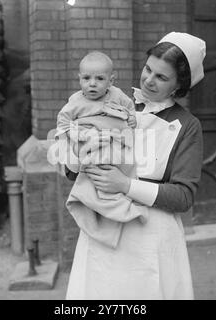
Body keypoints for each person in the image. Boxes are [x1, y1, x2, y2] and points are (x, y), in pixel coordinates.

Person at [64, 32, 206, 300]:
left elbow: (183, 196)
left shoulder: (187, 126)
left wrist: (125, 185)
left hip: (150, 237)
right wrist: (73, 151)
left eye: (162, 77)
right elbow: (74, 172)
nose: (149, 80)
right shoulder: (112, 103)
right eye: (148, 69)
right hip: (103, 230)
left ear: (179, 85)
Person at [55, 51, 148, 249]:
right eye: (86, 78)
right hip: (90, 143)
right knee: (95, 176)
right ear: (79, 79)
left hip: (116, 141)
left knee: (126, 166)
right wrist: (78, 135)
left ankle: (120, 203)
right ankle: (104, 208)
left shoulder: (117, 95)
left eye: (100, 78)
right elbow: (62, 122)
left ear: (111, 81)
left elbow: (130, 109)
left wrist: (132, 118)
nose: (92, 83)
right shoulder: (76, 102)